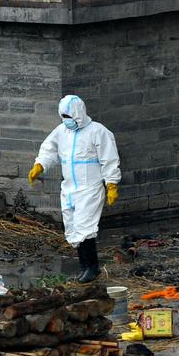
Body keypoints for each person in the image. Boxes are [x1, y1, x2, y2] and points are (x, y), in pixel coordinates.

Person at [28, 96, 120, 284]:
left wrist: (111, 184)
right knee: (73, 228)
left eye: (69, 115)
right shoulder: (61, 131)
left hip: (90, 188)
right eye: (63, 116)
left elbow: (109, 159)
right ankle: (84, 266)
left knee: (85, 228)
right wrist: (40, 165)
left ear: (78, 113)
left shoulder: (98, 132)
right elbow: (49, 149)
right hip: (69, 188)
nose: (66, 119)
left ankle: (92, 268)